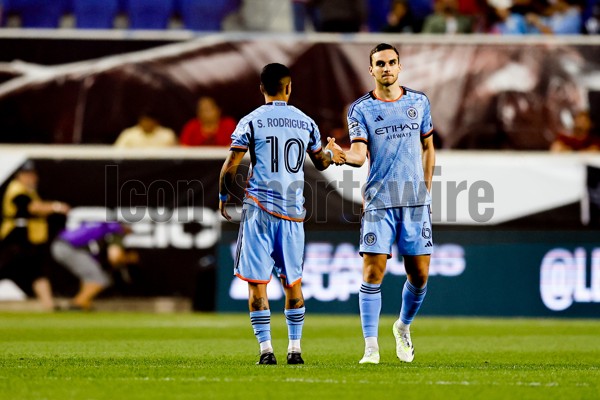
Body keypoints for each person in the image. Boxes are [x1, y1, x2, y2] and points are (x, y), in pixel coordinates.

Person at [218, 63, 345, 365]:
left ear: (261, 88)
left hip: (259, 211)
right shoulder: (305, 122)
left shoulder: (251, 121)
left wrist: (224, 196)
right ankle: (295, 349)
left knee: (257, 283)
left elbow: (232, 165)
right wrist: (332, 154)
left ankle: (266, 351)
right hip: (292, 214)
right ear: (289, 87)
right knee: (293, 282)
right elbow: (322, 162)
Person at [332, 43, 435, 364]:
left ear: (399, 67)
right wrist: (342, 156)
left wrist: (425, 190)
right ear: (371, 70)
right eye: (380, 63)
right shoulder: (360, 109)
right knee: (373, 271)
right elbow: (359, 154)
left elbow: (428, 147)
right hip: (379, 202)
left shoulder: (419, 102)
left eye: (392, 62)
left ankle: (402, 327)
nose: (386, 67)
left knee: (419, 275)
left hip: (415, 203)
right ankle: (371, 347)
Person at [0, 161, 70, 311]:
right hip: (14, 238)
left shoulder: (28, 190)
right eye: (27, 174)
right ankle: (49, 305)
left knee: (37, 270)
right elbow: (32, 208)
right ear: (19, 176)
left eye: (32, 174)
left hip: (27, 240)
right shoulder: (17, 190)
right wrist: (56, 207)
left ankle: (49, 306)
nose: (31, 177)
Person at [50, 221, 138, 311]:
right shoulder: (116, 231)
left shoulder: (102, 226)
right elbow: (114, 257)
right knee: (100, 279)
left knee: (89, 277)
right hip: (69, 249)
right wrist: (129, 258)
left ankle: (83, 304)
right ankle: (76, 305)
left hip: (61, 244)